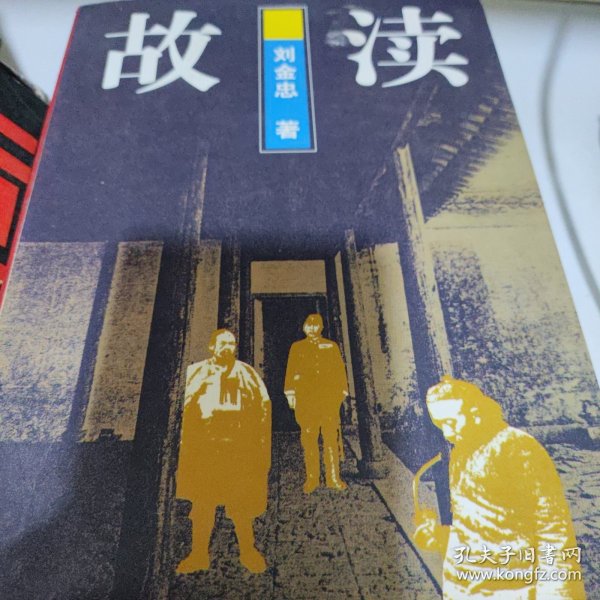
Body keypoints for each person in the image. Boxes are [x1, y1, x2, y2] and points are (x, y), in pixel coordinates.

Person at [413, 375, 586, 599]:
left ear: (476, 413)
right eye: (440, 425)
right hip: (464, 587)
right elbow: (480, 525)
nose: (447, 433)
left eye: (452, 422)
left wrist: (557, 592)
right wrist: (439, 536)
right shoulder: (461, 452)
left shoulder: (517, 447)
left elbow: (552, 529)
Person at [176, 329, 271, 574]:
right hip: (207, 447)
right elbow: (183, 406)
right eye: (223, 344)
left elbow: (263, 406)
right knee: (203, 503)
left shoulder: (247, 373)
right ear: (212, 347)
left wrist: (257, 443)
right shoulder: (196, 372)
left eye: (231, 344)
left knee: (240, 504)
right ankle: (198, 554)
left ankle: (248, 551)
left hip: (237, 448)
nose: (228, 348)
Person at [284, 313, 349, 494]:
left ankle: (333, 478)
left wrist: (341, 394)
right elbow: (291, 371)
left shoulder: (331, 346)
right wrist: (291, 395)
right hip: (307, 400)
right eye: (309, 325)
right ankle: (312, 479)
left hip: (328, 400)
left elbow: (339, 371)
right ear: (304, 327)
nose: (312, 328)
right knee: (309, 439)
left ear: (321, 327)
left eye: (316, 325)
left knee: (330, 438)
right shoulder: (297, 348)